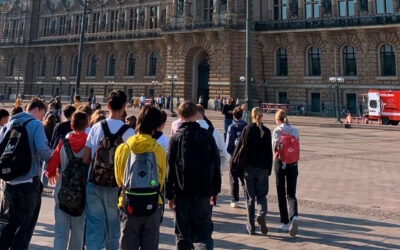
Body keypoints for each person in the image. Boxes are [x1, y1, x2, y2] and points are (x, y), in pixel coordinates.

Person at [82, 90, 135, 250]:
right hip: (116, 186)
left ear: (108, 105)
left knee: (94, 228)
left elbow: (86, 158)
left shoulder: (96, 127)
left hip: (95, 183)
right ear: (125, 107)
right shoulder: (129, 132)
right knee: (113, 229)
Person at [166, 101, 221, 249]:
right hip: (203, 192)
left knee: (183, 235)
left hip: (182, 192)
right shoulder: (207, 135)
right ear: (196, 115)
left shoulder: (176, 138)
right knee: (203, 234)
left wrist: (170, 195)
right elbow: (215, 165)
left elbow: (170, 168)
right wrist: (215, 190)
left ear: (180, 116)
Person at [0, 97, 52, 249]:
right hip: (27, 183)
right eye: (42, 115)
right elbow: (43, 151)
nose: (42, 119)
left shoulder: (9, 124)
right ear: (36, 110)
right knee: (24, 227)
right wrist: (54, 163)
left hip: (8, 182)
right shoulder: (35, 124)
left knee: (6, 224)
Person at [114, 105, 166, 250]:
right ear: (155, 127)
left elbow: (120, 180)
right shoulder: (159, 150)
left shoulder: (123, 149)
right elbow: (160, 180)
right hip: (152, 204)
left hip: (128, 204)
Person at [45, 112, 89, 250]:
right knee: (78, 233)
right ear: (87, 125)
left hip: (62, 191)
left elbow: (51, 165)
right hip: (82, 193)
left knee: (60, 234)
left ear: (71, 125)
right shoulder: (90, 143)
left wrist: (52, 174)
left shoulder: (63, 143)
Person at [234, 107, 273, 235]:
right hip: (262, 168)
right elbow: (269, 152)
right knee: (262, 196)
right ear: (262, 116)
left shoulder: (248, 129)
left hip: (249, 168)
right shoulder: (266, 131)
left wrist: (235, 165)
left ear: (251, 116)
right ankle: (261, 214)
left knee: (250, 198)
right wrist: (269, 169)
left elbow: (241, 147)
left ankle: (251, 227)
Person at [272, 110, 299, 237]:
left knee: (281, 193)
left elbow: (274, 148)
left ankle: (284, 222)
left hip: (280, 163)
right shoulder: (295, 130)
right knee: (291, 193)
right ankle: (294, 217)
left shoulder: (277, 131)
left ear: (278, 119)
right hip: (293, 164)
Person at [196, 104, 228, 173]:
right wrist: (219, 171)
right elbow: (224, 155)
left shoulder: (189, 132)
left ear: (195, 114)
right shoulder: (215, 132)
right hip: (211, 174)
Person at [225, 107, 247, 208]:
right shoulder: (247, 126)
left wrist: (232, 154)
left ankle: (235, 200)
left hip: (234, 157)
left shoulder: (231, 127)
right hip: (244, 157)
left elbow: (229, 144)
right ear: (242, 115)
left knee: (233, 178)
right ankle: (248, 198)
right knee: (245, 179)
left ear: (234, 115)